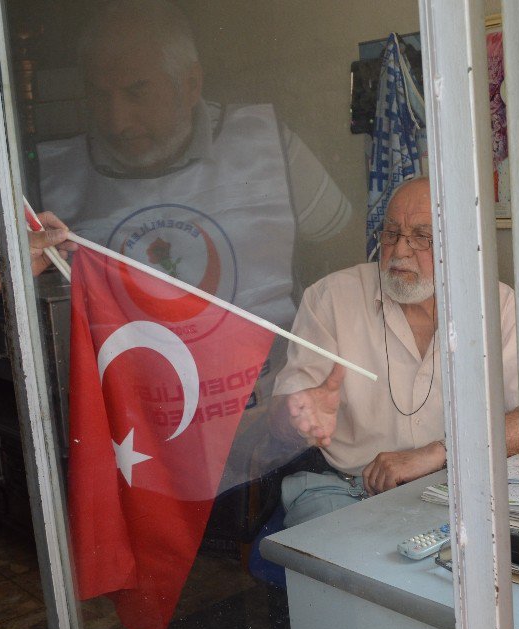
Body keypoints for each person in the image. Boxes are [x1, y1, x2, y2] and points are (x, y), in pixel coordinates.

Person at [36, 0, 353, 484]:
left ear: (190, 85)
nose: (117, 119)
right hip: (139, 441)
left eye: (137, 91)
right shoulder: (56, 179)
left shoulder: (267, 147)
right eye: (99, 96)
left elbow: (342, 257)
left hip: (266, 427)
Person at [269, 178, 519, 527]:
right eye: (391, 234)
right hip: (346, 491)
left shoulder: (497, 304)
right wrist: (298, 415)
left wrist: (438, 454)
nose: (400, 251)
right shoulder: (332, 298)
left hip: (460, 487)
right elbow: (282, 422)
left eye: (421, 237)